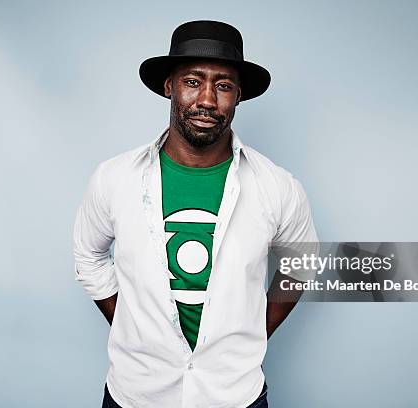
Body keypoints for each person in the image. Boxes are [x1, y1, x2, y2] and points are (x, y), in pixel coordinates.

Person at [73, 20, 318, 408]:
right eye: (192, 81)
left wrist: (253, 331)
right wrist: (130, 325)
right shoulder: (114, 178)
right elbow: (88, 256)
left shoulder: (278, 187)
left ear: (238, 96)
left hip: (235, 396)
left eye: (222, 85)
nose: (207, 99)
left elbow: (301, 265)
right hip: (135, 394)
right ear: (169, 86)